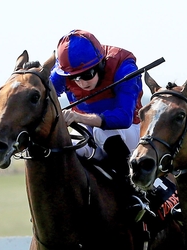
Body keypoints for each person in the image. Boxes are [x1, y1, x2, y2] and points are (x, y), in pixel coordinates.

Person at [50, 29, 147, 220]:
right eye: (74, 77)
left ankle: (134, 193)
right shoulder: (65, 69)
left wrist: (80, 118)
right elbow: (42, 94)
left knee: (103, 133)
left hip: (131, 135)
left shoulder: (124, 65)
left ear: (101, 63)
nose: (81, 82)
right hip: (91, 135)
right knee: (62, 147)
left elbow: (123, 117)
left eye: (87, 75)